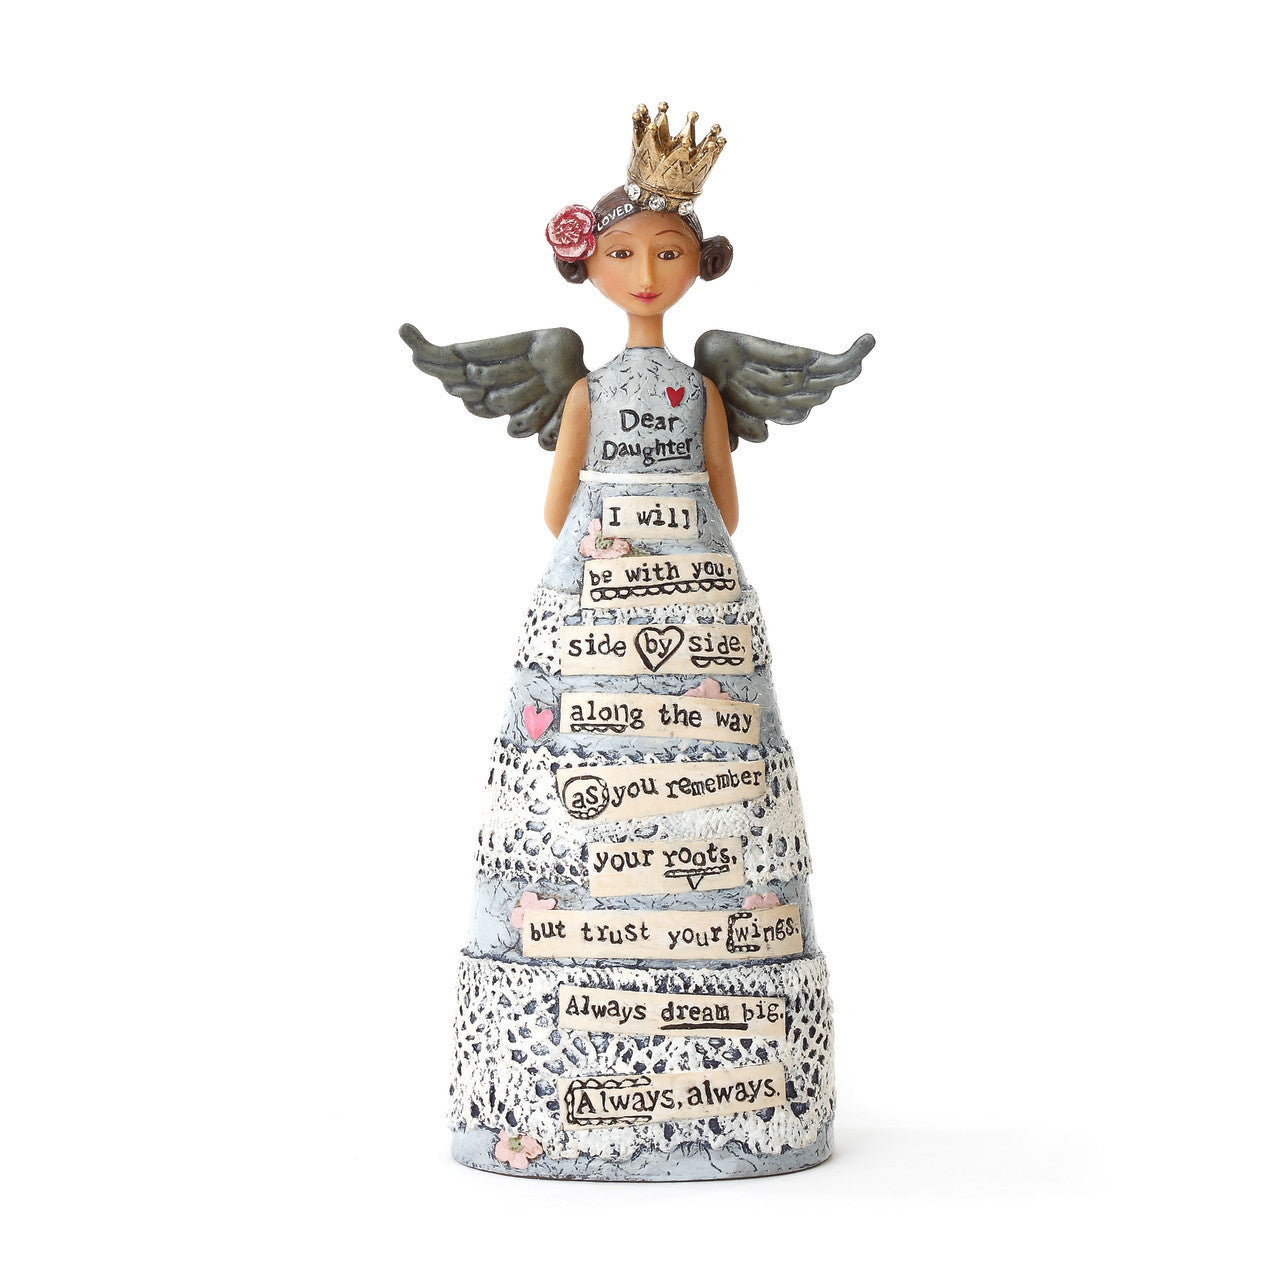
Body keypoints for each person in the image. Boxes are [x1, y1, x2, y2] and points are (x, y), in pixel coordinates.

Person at [402, 104, 873, 1180]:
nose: (647, 274)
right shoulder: (584, 385)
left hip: (689, 602)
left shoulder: (700, 386)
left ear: (699, 264)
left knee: (714, 782)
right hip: (603, 610)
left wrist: (652, 551)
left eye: (667, 253)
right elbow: (564, 503)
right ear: (591, 267)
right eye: (624, 255)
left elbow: (719, 498)